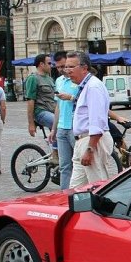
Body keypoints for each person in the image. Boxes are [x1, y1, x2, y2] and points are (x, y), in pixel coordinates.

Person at [66, 51, 114, 188]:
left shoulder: (93, 87)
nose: (67, 71)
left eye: (71, 67)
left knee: (97, 187)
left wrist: (90, 149)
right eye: (66, 67)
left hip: (92, 141)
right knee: (75, 189)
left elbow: (97, 121)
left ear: (84, 67)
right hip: (83, 141)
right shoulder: (85, 86)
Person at [47, 52, 78, 189]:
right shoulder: (59, 81)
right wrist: (54, 128)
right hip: (62, 127)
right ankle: (65, 196)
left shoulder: (78, 81)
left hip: (75, 127)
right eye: (58, 67)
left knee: (78, 163)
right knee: (64, 165)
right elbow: (58, 106)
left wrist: (71, 97)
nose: (61, 69)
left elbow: (85, 102)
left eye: (63, 66)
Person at [24, 53, 58, 163]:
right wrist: (31, 123)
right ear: (41, 64)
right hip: (41, 112)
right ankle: (55, 154)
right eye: (49, 63)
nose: (51, 65)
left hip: (52, 110)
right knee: (57, 123)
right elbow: (30, 101)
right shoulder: (33, 78)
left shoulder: (50, 79)